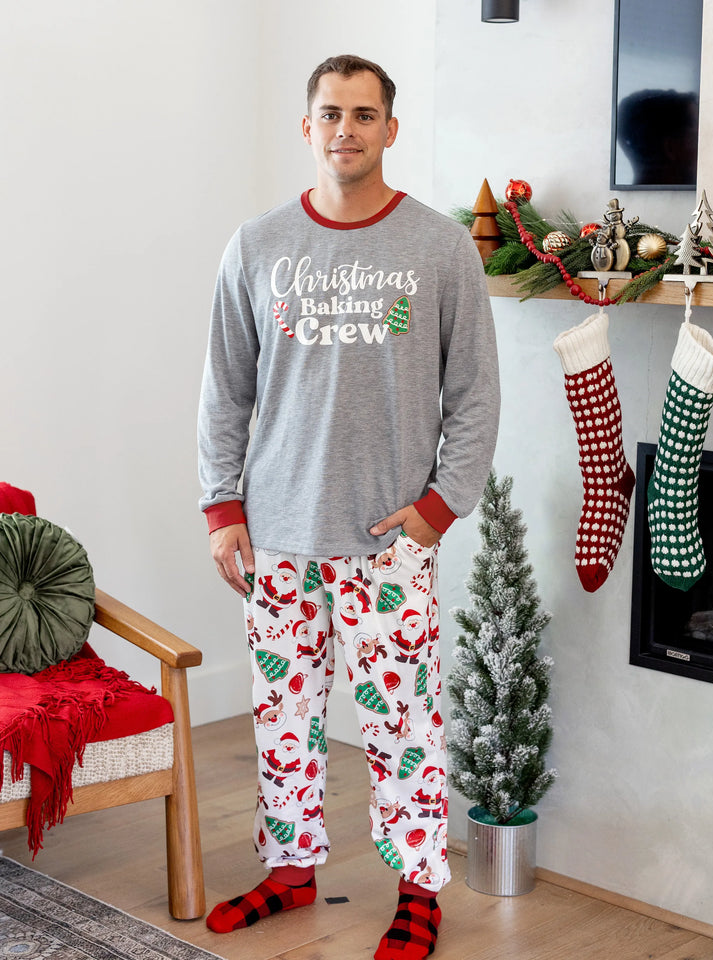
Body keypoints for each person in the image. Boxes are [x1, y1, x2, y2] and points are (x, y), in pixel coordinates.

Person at [197, 54, 500, 960]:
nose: (346, 130)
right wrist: (222, 508)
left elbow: (475, 393)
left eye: (365, 115)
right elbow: (225, 391)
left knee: (403, 723)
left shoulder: (441, 248)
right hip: (277, 533)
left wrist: (440, 506)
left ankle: (419, 892)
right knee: (282, 719)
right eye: (331, 113)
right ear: (308, 127)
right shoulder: (256, 245)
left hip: (389, 540)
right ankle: (291, 871)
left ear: (390, 130)